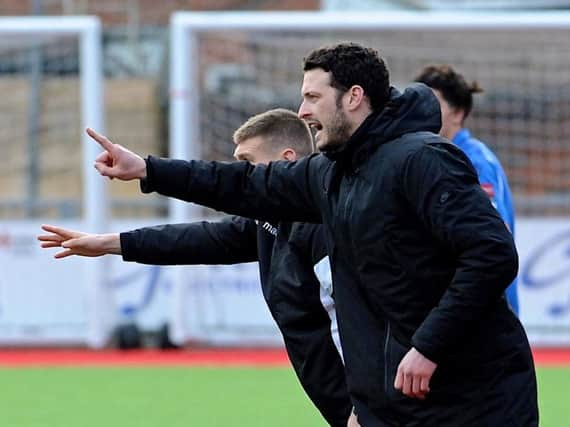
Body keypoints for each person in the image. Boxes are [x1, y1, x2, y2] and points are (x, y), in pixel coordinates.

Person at [82, 43, 538, 426]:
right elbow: (240, 186)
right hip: (397, 404)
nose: (303, 111)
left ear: (354, 96)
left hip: (475, 401)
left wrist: (428, 345)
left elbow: (492, 254)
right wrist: (147, 169)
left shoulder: (422, 159)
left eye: (313, 98)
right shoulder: (327, 175)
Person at [38, 109, 355, 427]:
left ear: (286, 160)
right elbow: (202, 239)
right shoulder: (271, 219)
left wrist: (363, 406)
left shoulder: (320, 227)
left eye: (247, 162)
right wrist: (109, 243)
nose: (239, 173)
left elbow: (356, 321)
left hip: (368, 405)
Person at [414, 64, 519, 315]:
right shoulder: (433, 157)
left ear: (458, 113)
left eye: (433, 102)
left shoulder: (474, 160)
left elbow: (491, 233)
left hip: (484, 309)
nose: (423, 111)